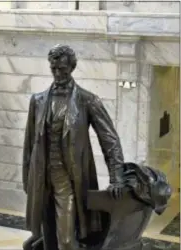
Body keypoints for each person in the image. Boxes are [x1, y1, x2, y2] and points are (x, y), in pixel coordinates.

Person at [22, 44, 125, 250]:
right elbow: (29, 144)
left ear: (72, 67)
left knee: (67, 241)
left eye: (62, 69)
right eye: (54, 69)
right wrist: (28, 180)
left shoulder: (87, 100)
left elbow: (110, 140)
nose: (58, 73)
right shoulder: (38, 101)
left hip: (69, 179)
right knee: (48, 236)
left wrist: (116, 177)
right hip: (42, 177)